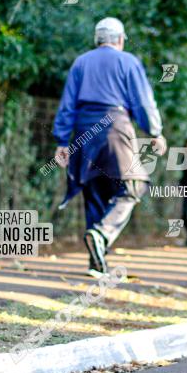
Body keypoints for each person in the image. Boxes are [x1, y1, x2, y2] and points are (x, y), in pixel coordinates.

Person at [52, 17, 166, 277]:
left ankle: (96, 262)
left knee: (93, 189)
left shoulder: (81, 62)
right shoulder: (128, 62)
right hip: (114, 127)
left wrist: (61, 140)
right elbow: (143, 103)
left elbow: (67, 104)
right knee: (133, 185)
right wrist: (155, 131)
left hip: (83, 129)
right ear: (121, 40)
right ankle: (102, 234)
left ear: (97, 39)